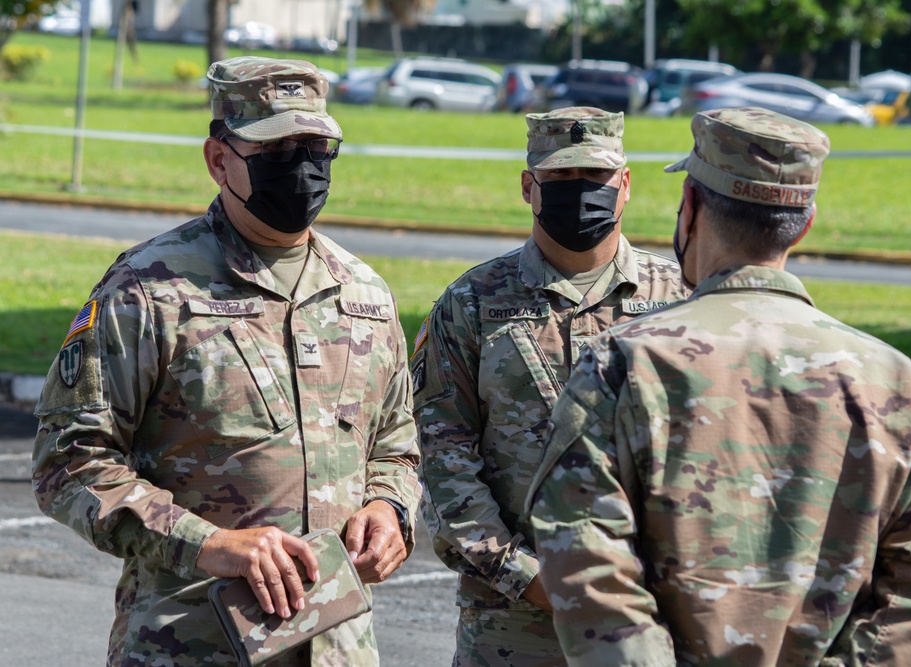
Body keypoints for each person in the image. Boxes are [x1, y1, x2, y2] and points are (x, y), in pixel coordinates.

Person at [527, 106, 911, 667]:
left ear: (689, 207)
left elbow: (586, 562)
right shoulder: (890, 377)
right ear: (804, 224)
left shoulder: (623, 364)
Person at [31, 56, 420, 667]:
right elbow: (69, 461)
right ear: (219, 160)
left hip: (339, 647)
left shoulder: (364, 293)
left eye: (317, 146)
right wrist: (207, 543)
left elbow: (396, 443)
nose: (302, 167)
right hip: (189, 643)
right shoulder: (148, 288)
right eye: (275, 149)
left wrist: (389, 507)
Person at [411, 106, 688, 666]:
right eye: (560, 179)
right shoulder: (471, 304)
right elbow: (440, 458)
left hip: (649, 618)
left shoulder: (684, 301)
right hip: (511, 624)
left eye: (596, 178)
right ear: (527, 187)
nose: (580, 192)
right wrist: (524, 576)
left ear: (626, 185)